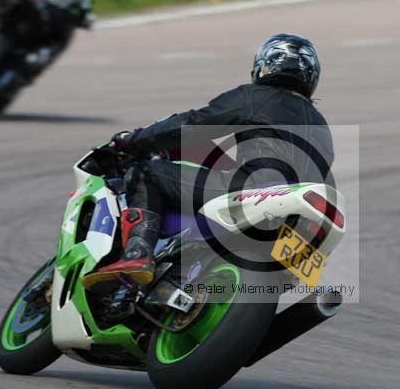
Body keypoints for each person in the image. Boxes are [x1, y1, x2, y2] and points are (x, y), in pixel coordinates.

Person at [82, 33, 334, 290]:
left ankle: (137, 254)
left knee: (146, 173)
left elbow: (193, 124)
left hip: (251, 193)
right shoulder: (323, 128)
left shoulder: (255, 97)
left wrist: (131, 142)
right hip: (291, 218)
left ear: (263, 66)